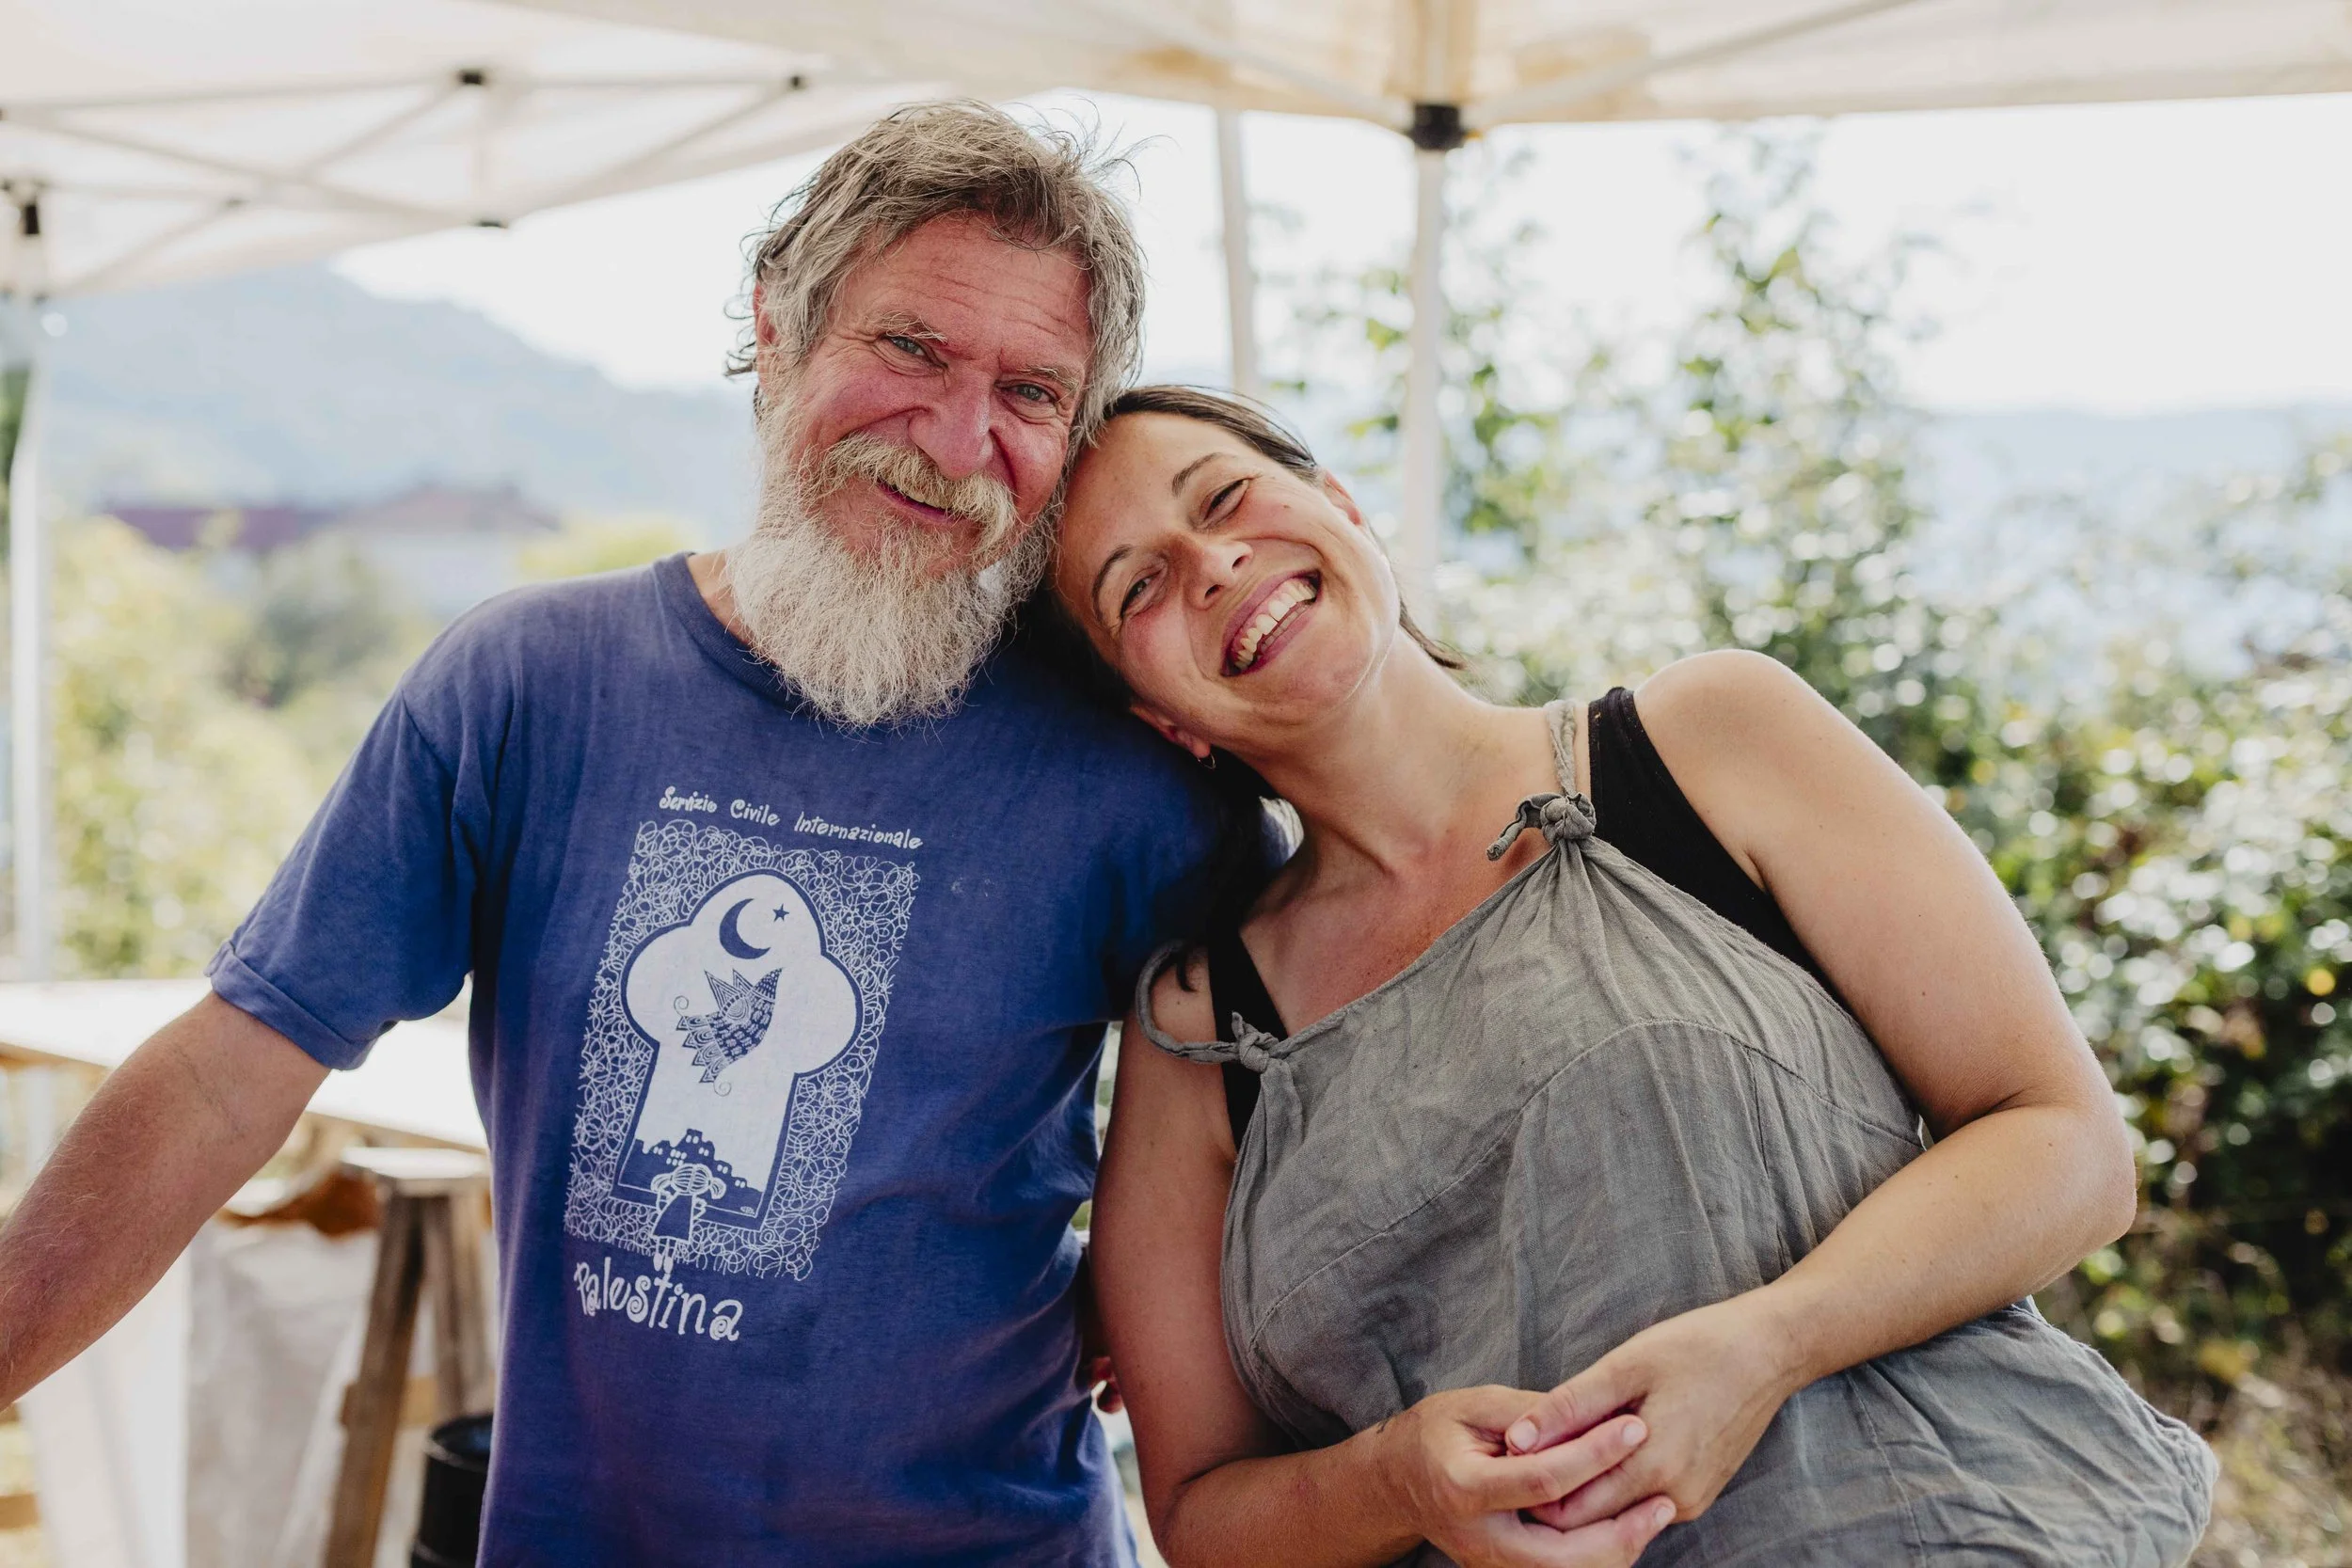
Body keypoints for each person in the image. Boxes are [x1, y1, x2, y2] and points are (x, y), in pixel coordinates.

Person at [0, 105, 1264, 1566]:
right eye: (912, 347)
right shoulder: (530, 685)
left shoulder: (1140, 776)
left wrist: (1167, 1279)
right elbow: (228, 1073)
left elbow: (1308, 1119)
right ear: (776, 327)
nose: (954, 435)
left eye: (1030, 391)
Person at [1055, 386, 2217, 1568]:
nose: (1211, 563)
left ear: (1342, 506)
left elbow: (2068, 1148)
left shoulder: (1705, 741)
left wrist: (1771, 1342)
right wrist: (1395, 1478)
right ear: (1161, 719)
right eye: (1136, 586)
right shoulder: (1196, 1036)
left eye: (1225, 496)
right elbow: (1198, 1514)